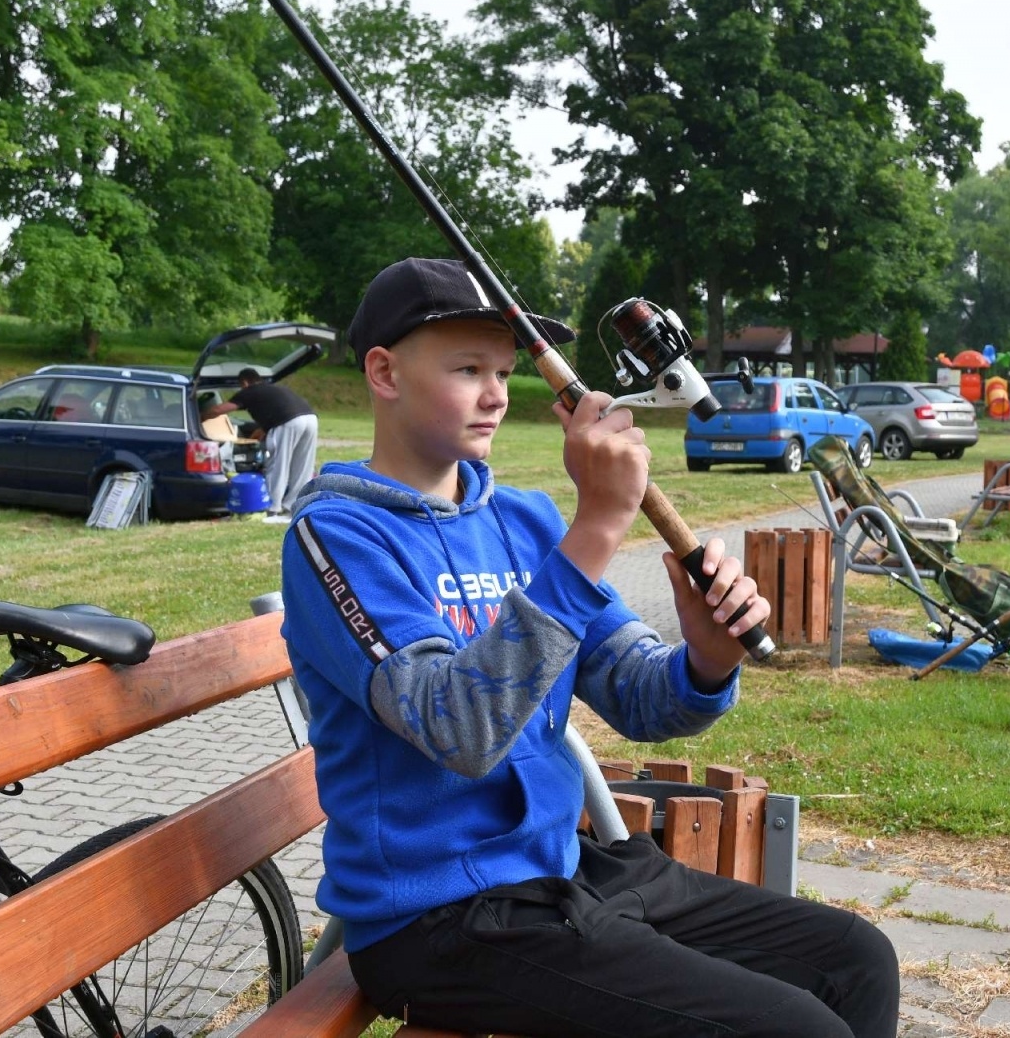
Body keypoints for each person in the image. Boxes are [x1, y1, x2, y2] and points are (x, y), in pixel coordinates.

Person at [280, 257, 899, 1038]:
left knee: (857, 957)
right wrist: (600, 527)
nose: (497, 393)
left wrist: (706, 658)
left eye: (505, 369)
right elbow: (459, 731)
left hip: (564, 874)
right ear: (384, 372)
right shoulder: (335, 535)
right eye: (467, 368)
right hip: (440, 922)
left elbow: (644, 697)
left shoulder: (527, 520)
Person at [204, 368, 318, 521]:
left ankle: (271, 507)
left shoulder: (249, 391)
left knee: (278, 464)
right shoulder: (273, 390)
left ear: (244, 382)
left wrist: (201, 417)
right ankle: (294, 507)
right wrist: (253, 438)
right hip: (310, 418)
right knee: (303, 466)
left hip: (287, 422)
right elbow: (264, 427)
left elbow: (220, 409)